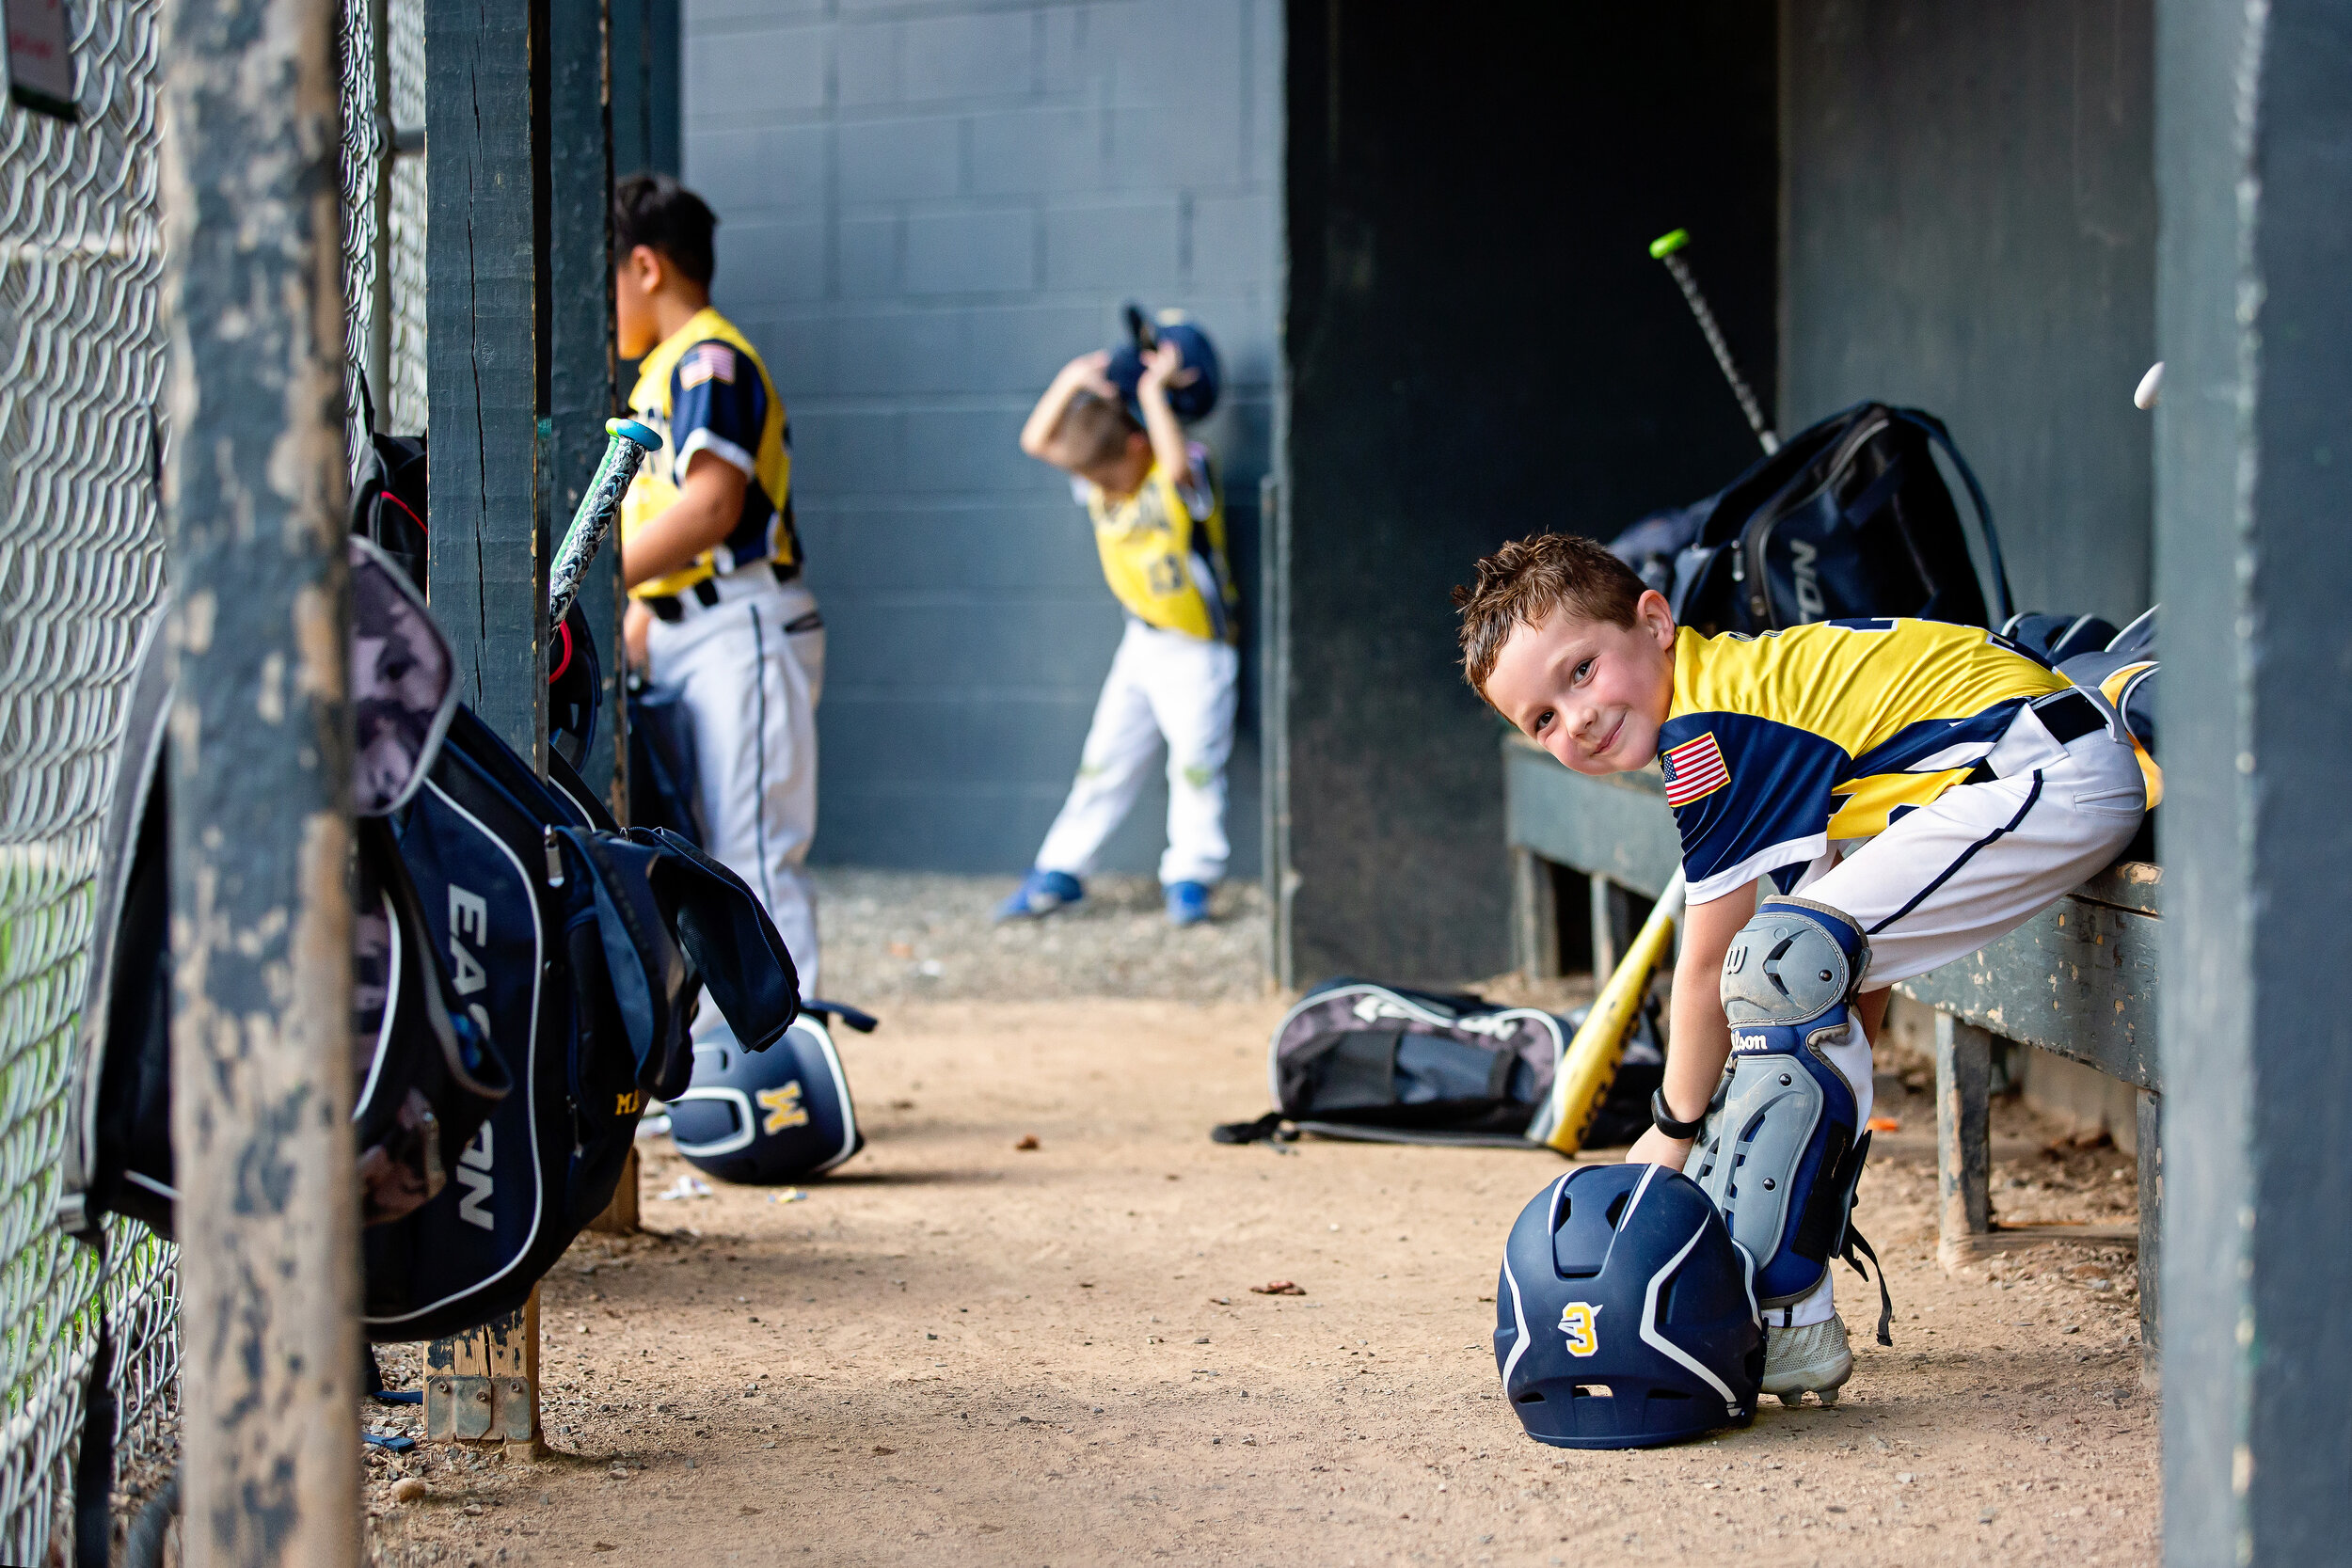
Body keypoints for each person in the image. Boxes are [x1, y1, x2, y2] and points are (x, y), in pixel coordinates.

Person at [1456, 533, 2145, 1403]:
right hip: (2023, 773)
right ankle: (1790, 1308)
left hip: (2049, 771)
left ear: (1655, 622)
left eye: (1581, 671)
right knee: (1800, 984)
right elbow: (1833, 974)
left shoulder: (1716, 725)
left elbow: (1711, 966)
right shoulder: (1723, 693)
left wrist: (1670, 1132)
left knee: (1779, 968)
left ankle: (1781, 1313)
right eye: (1542, 720)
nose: (1577, 718)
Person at [612, 173, 825, 995]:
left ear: (646, 266)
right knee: (709, 861)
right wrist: (638, 613)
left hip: (742, 624)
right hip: (692, 628)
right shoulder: (670, 365)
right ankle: (728, 1069)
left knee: (756, 854)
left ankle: (782, 1077)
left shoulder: (708, 357)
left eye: (610, 277)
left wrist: (594, 580)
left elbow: (709, 507)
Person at [996, 325, 1240, 927]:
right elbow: (1037, 440)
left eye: (1106, 476)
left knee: (1195, 766)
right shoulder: (1104, 471)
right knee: (1104, 759)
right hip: (1142, 644)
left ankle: (1191, 878)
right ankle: (1061, 870)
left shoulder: (1176, 472)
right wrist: (1073, 380)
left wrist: (1154, 392)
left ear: (1136, 447)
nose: (1097, 488)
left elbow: (1175, 460)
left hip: (1198, 651)